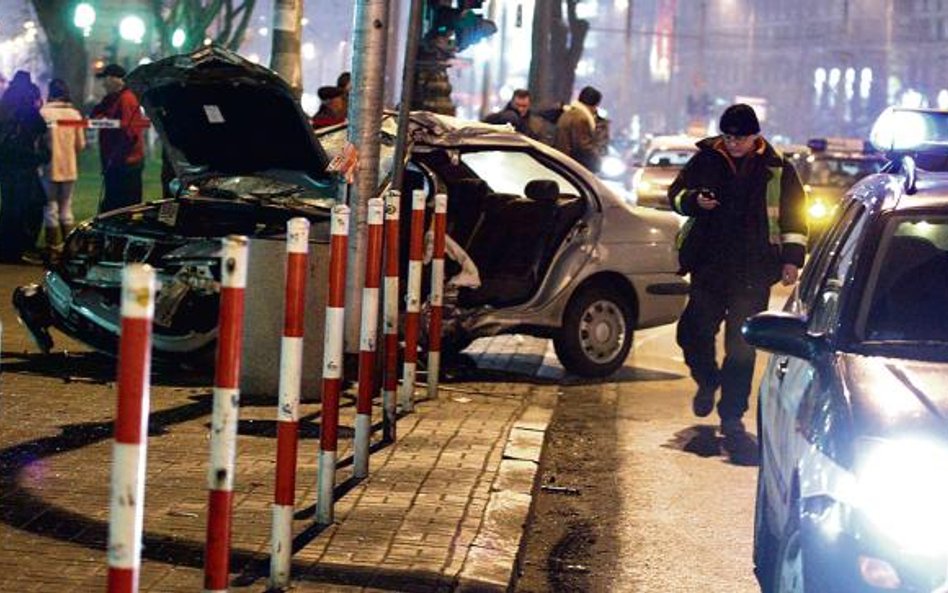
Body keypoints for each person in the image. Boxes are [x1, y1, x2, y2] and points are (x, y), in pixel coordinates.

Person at [667, 104, 807, 438]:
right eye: (728, 137)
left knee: (741, 347)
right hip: (709, 264)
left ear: (755, 136)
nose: (732, 143)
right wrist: (693, 201)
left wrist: (791, 259)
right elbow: (675, 196)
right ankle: (707, 380)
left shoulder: (776, 169)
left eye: (739, 138)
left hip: (754, 269)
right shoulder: (706, 159)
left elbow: (795, 216)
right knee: (692, 331)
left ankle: (732, 414)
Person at [0, 70, 50, 264]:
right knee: (29, 205)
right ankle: (21, 247)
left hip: (7, 165)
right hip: (23, 164)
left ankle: (7, 247)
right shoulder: (26, 107)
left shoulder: (5, 104)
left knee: (11, 207)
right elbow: (40, 126)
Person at [90, 63, 146, 213]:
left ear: (115, 79)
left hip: (125, 166)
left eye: (105, 79)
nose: (103, 84)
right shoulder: (113, 99)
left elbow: (130, 133)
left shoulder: (126, 99)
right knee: (113, 208)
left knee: (121, 209)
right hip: (117, 164)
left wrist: (115, 159)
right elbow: (94, 116)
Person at [39, 79, 86, 256]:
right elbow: (80, 144)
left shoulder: (44, 113)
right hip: (69, 166)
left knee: (50, 208)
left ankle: (52, 247)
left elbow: (39, 141)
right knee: (66, 206)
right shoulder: (74, 114)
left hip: (48, 166)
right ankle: (69, 247)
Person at [554, 86, 606, 173]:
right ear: (595, 105)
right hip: (573, 165)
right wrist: (598, 159)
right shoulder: (581, 118)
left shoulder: (569, 112)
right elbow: (583, 146)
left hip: (562, 160)